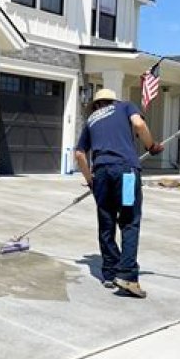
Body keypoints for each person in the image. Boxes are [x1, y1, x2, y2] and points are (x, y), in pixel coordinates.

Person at [74, 89, 163, 298]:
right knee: (129, 221)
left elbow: (79, 154)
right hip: (126, 173)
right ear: (113, 100)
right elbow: (139, 124)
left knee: (106, 224)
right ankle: (128, 276)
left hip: (101, 175)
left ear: (96, 105)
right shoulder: (125, 106)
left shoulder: (91, 120)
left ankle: (109, 273)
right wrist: (151, 146)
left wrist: (90, 181)